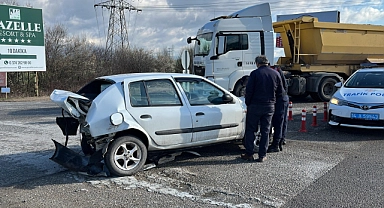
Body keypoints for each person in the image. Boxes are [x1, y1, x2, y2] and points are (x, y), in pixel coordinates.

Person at [241, 55, 284, 162]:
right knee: (266, 131)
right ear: (267, 63)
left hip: (255, 106)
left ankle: (249, 153)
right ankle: (262, 155)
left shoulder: (255, 74)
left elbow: (249, 91)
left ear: (257, 63)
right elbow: (281, 92)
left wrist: (248, 104)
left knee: (251, 130)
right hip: (269, 106)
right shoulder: (276, 74)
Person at [267, 67, 289, 153]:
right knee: (281, 121)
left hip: (280, 99)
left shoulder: (275, 71)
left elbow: (283, 87)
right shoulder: (277, 70)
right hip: (281, 98)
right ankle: (281, 139)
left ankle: (277, 143)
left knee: (279, 121)